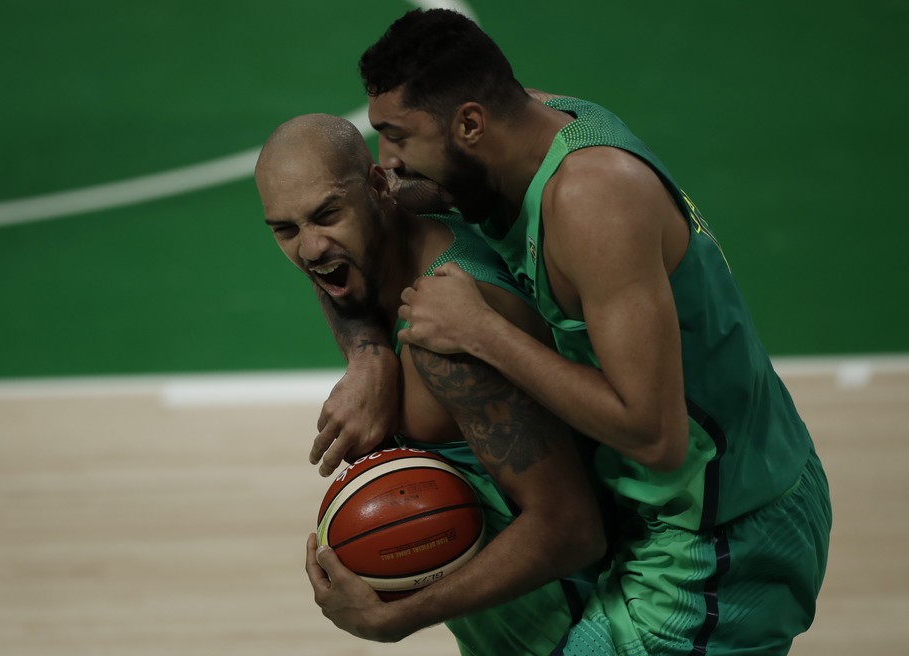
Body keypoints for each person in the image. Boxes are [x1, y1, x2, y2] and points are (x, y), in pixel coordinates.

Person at [310, 8, 833, 656]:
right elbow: (345, 234)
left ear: (470, 123)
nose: (385, 163)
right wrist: (368, 355)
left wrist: (483, 333)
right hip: (698, 505)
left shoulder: (592, 200)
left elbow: (655, 435)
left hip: (721, 541)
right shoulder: (524, 128)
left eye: (397, 138)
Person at [253, 113, 608, 655]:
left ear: (377, 187)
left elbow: (572, 529)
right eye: (285, 229)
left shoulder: (450, 344)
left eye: (327, 214)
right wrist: (368, 354)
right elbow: (331, 263)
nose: (309, 248)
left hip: (578, 634)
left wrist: (395, 619)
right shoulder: (381, 240)